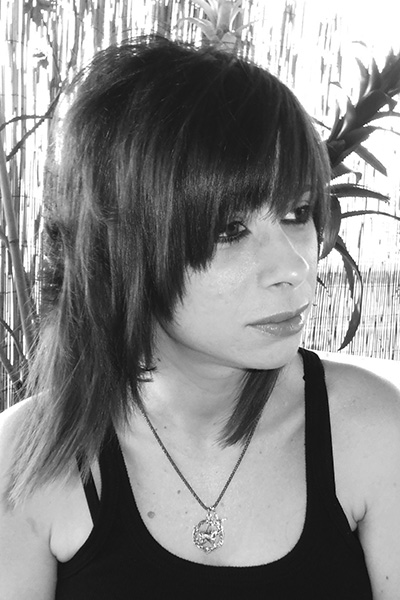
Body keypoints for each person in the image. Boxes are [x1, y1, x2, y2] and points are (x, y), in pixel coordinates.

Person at [0, 36, 399, 600]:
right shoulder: (29, 461)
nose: (294, 266)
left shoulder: (372, 429)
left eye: (298, 212)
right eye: (229, 229)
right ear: (125, 245)